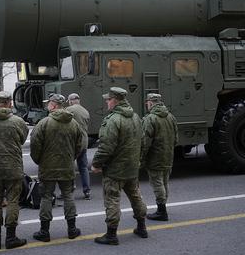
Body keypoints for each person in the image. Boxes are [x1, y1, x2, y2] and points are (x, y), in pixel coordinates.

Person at [92, 87, 148, 245]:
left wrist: (96, 164)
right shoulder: (136, 117)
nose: (106, 103)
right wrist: (137, 161)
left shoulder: (113, 120)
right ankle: (142, 227)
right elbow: (143, 143)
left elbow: (105, 147)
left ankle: (111, 235)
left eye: (108, 100)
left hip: (115, 170)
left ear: (115, 101)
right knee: (136, 197)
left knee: (112, 200)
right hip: (132, 168)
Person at [30, 93, 82, 242]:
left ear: (53, 105)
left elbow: (35, 145)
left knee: (46, 197)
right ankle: (72, 229)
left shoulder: (44, 123)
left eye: (49, 103)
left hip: (48, 168)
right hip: (66, 167)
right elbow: (80, 145)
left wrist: (39, 160)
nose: (47, 105)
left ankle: (44, 231)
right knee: (68, 196)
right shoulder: (73, 123)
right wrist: (71, 158)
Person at [0, 91, 29, 250]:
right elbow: (22, 139)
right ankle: (10, 237)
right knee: (12, 201)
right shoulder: (17, 121)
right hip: (13, 168)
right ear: (10, 103)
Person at [142, 93, 179, 221]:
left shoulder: (150, 119)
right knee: (164, 182)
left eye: (147, 103)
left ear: (151, 103)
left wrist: (141, 157)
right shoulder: (171, 117)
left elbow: (145, 142)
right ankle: (163, 207)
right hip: (168, 156)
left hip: (155, 158)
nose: (147, 105)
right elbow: (176, 139)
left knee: (157, 183)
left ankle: (162, 211)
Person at [66, 93, 91, 200]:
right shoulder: (85, 111)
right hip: (84, 142)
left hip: (73, 143)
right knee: (83, 168)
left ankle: (69, 190)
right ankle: (87, 191)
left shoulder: (69, 110)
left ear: (71, 101)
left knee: (69, 167)